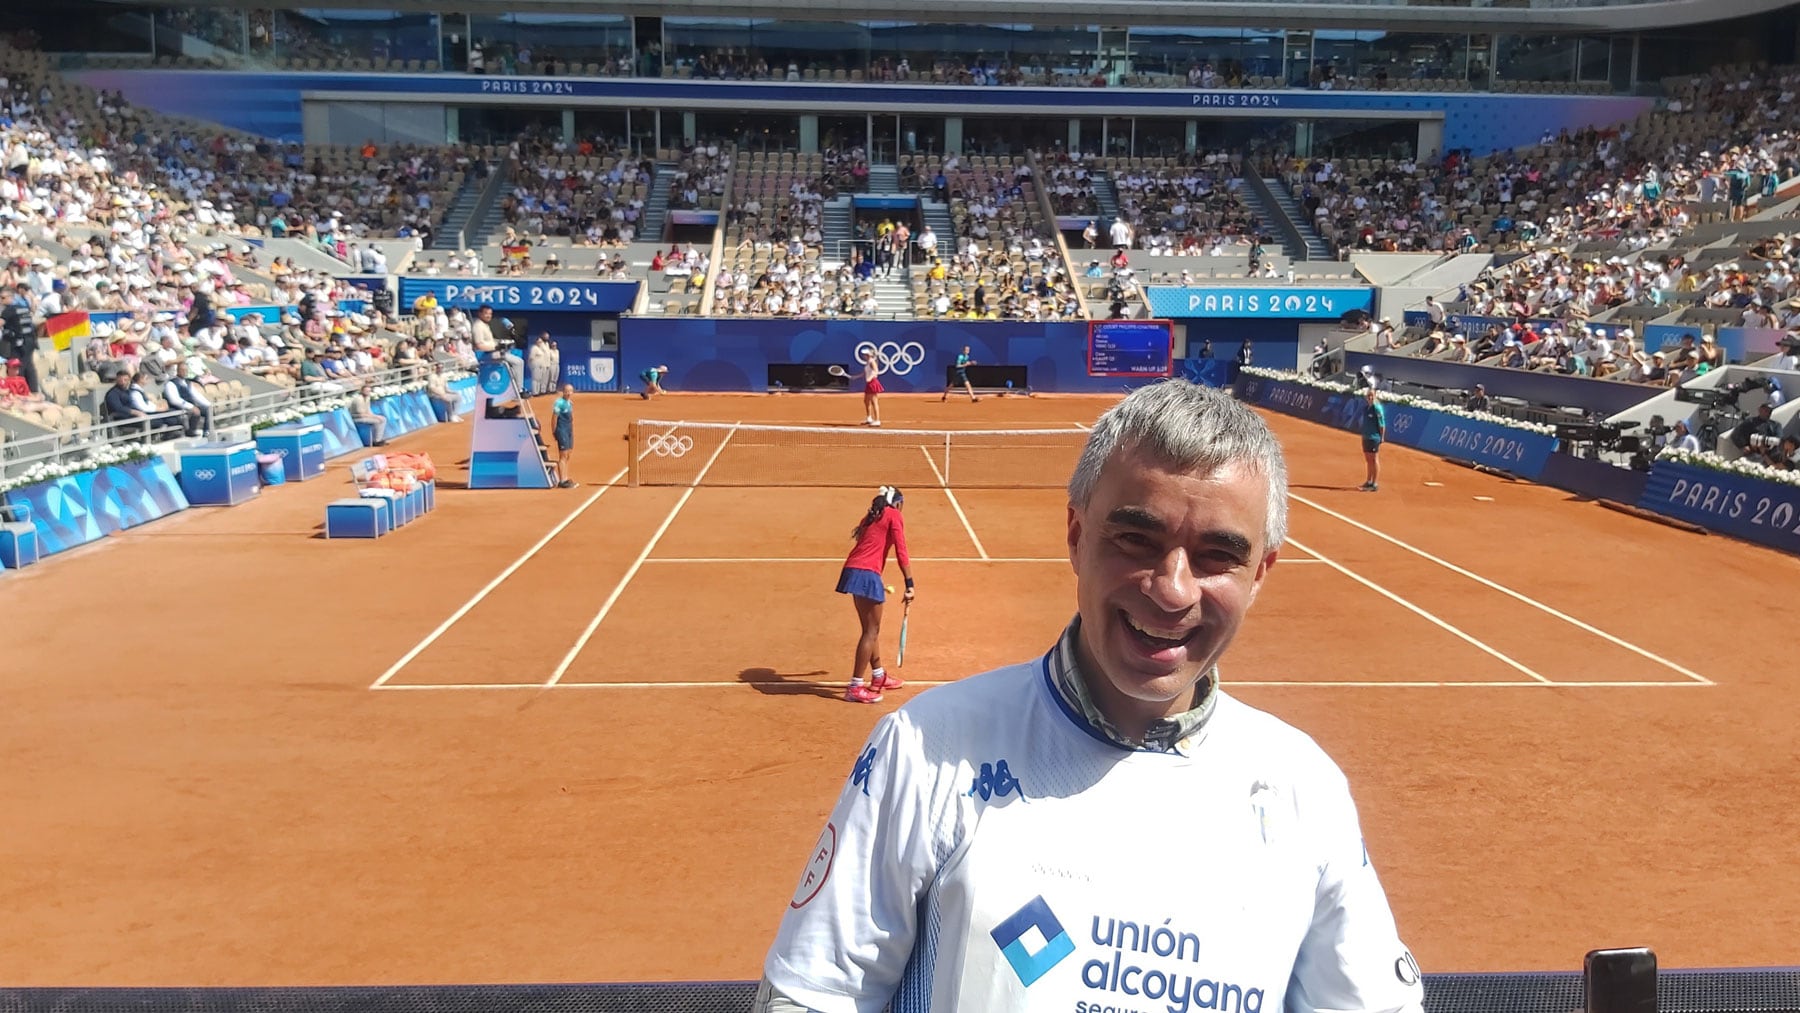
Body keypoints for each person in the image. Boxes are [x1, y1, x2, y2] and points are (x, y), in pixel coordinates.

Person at [756, 381, 1423, 1013]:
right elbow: (813, 993)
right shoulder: (927, 748)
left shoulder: (1306, 787)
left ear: (1261, 573)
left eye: (1218, 554)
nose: (1173, 589)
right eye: (1137, 538)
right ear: (1077, 534)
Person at [836, 486, 914, 704]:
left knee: (871, 629)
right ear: (897, 503)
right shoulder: (894, 515)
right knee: (871, 631)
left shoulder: (870, 516)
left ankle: (878, 675)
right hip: (867, 574)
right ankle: (855, 687)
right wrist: (910, 584)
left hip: (853, 570)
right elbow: (901, 550)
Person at [1360, 386, 1385, 492]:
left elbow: (1382, 424)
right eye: (1368, 396)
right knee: (1368, 460)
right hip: (1366, 436)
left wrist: (1382, 437)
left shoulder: (1377, 408)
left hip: (1374, 438)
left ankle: (1374, 483)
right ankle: (1368, 481)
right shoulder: (1366, 409)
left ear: (1374, 396)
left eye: (1372, 396)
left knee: (1374, 460)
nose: (1370, 398)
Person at [552, 383, 577, 488]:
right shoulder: (559, 403)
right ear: (563, 391)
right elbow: (554, 418)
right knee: (563, 455)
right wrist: (554, 432)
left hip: (569, 431)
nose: (568, 393)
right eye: (566, 391)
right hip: (561, 430)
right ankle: (562, 481)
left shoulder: (570, 403)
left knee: (568, 454)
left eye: (570, 391)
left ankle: (566, 478)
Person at [860, 346, 885, 427]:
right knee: (866, 401)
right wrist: (855, 377)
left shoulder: (872, 361)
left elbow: (876, 371)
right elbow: (864, 373)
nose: (863, 355)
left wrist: (870, 378)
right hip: (869, 383)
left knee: (874, 402)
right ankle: (869, 418)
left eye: (864, 354)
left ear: (868, 355)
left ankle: (877, 420)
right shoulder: (867, 362)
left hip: (873, 383)